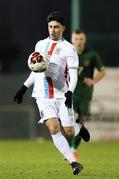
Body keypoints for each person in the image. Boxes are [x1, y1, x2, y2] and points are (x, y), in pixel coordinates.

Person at [13, 12, 90, 175]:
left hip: (62, 95)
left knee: (68, 132)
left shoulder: (69, 49)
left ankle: (78, 127)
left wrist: (70, 92)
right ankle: (74, 162)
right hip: (42, 95)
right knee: (54, 128)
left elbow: (74, 74)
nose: (52, 30)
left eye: (56, 27)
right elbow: (36, 70)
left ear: (63, 28)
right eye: (50, 27)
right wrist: (23, 88)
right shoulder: (40, 45)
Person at [69, 30, 106, 160]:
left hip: (85, 93)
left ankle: (73, 149)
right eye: (76, 39)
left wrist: (93, 80)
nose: (79, 42)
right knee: (69, 120)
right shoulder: (68, 53)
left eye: (81, 39)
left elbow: (102, 71)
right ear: (72, 40)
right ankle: (67, 149)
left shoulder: (91, 55)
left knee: (81, 121)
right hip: (70, 92)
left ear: (84, 40)